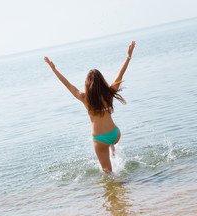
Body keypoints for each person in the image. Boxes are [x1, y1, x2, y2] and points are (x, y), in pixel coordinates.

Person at [44, 41, 136, 173]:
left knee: (108, 173)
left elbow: (68, 85)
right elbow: (120, 75)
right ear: (102, 81)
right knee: (110, 134)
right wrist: (128, 56)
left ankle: (113, 189)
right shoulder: (109, 93)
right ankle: (112, 148)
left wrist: (54, 69)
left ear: (87, 83)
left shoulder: (84, 98)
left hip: (100, 139)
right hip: (115, 134)